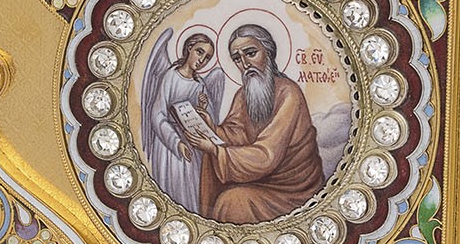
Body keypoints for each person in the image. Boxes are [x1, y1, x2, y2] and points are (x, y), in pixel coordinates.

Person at [183, 22, 325, 223]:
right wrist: (212, 128)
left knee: (232, 203)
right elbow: (237, 134)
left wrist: (216, 151)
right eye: (237, 59)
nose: (245, 63)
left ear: (268, 52)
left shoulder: (289, 93)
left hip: (290, 189)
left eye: (250, 53)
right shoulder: (243, 94)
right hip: (257, 179)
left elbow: (267, 155)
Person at [137, 27, 225, 211]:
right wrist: (176, 143)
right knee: (174, 189)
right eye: (199, 52)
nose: (202, 60)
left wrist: (203, 108)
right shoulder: (170, 76)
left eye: (207, 58)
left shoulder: (200, 84)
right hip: (170, 145)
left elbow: (209, 121)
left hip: (193, 143)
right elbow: (157, 114)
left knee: (192, 192)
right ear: (189, 48)